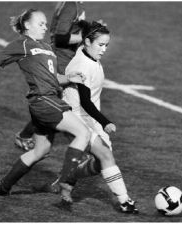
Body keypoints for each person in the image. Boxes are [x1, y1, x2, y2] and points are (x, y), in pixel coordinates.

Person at [0, 9, 91, 204]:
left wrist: (69, 78)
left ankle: (3, 186)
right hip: (44, 101)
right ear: (27, 25)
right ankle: (66, 182)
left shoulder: (46, 47)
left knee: (40, 150)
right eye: (41, 23)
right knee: (83, 133)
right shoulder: (21, 44)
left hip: (47, 100)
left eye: (45, 23)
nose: (45, 26)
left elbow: (53, 79)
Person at [59, 21, 138, 214]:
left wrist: (92, 25)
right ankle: (125, 201)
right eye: (100, 45)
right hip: (77, 119)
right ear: (87, 42)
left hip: (90, 119)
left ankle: (67, 178)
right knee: (106, 155)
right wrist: (106, 122)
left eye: (106, 45)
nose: (103, 50)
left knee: (99, 163)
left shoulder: (87, 54)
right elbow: (86, 102)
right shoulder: (82, 65)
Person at [15, 2, 86, 151]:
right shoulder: (71, 5)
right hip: (62, 60)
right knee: (68, 105)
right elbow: (60, 37)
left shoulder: (70, 4)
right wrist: (84, 37)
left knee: (57, 102)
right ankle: (82, 147)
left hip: (62, 58)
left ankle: (26, 136)